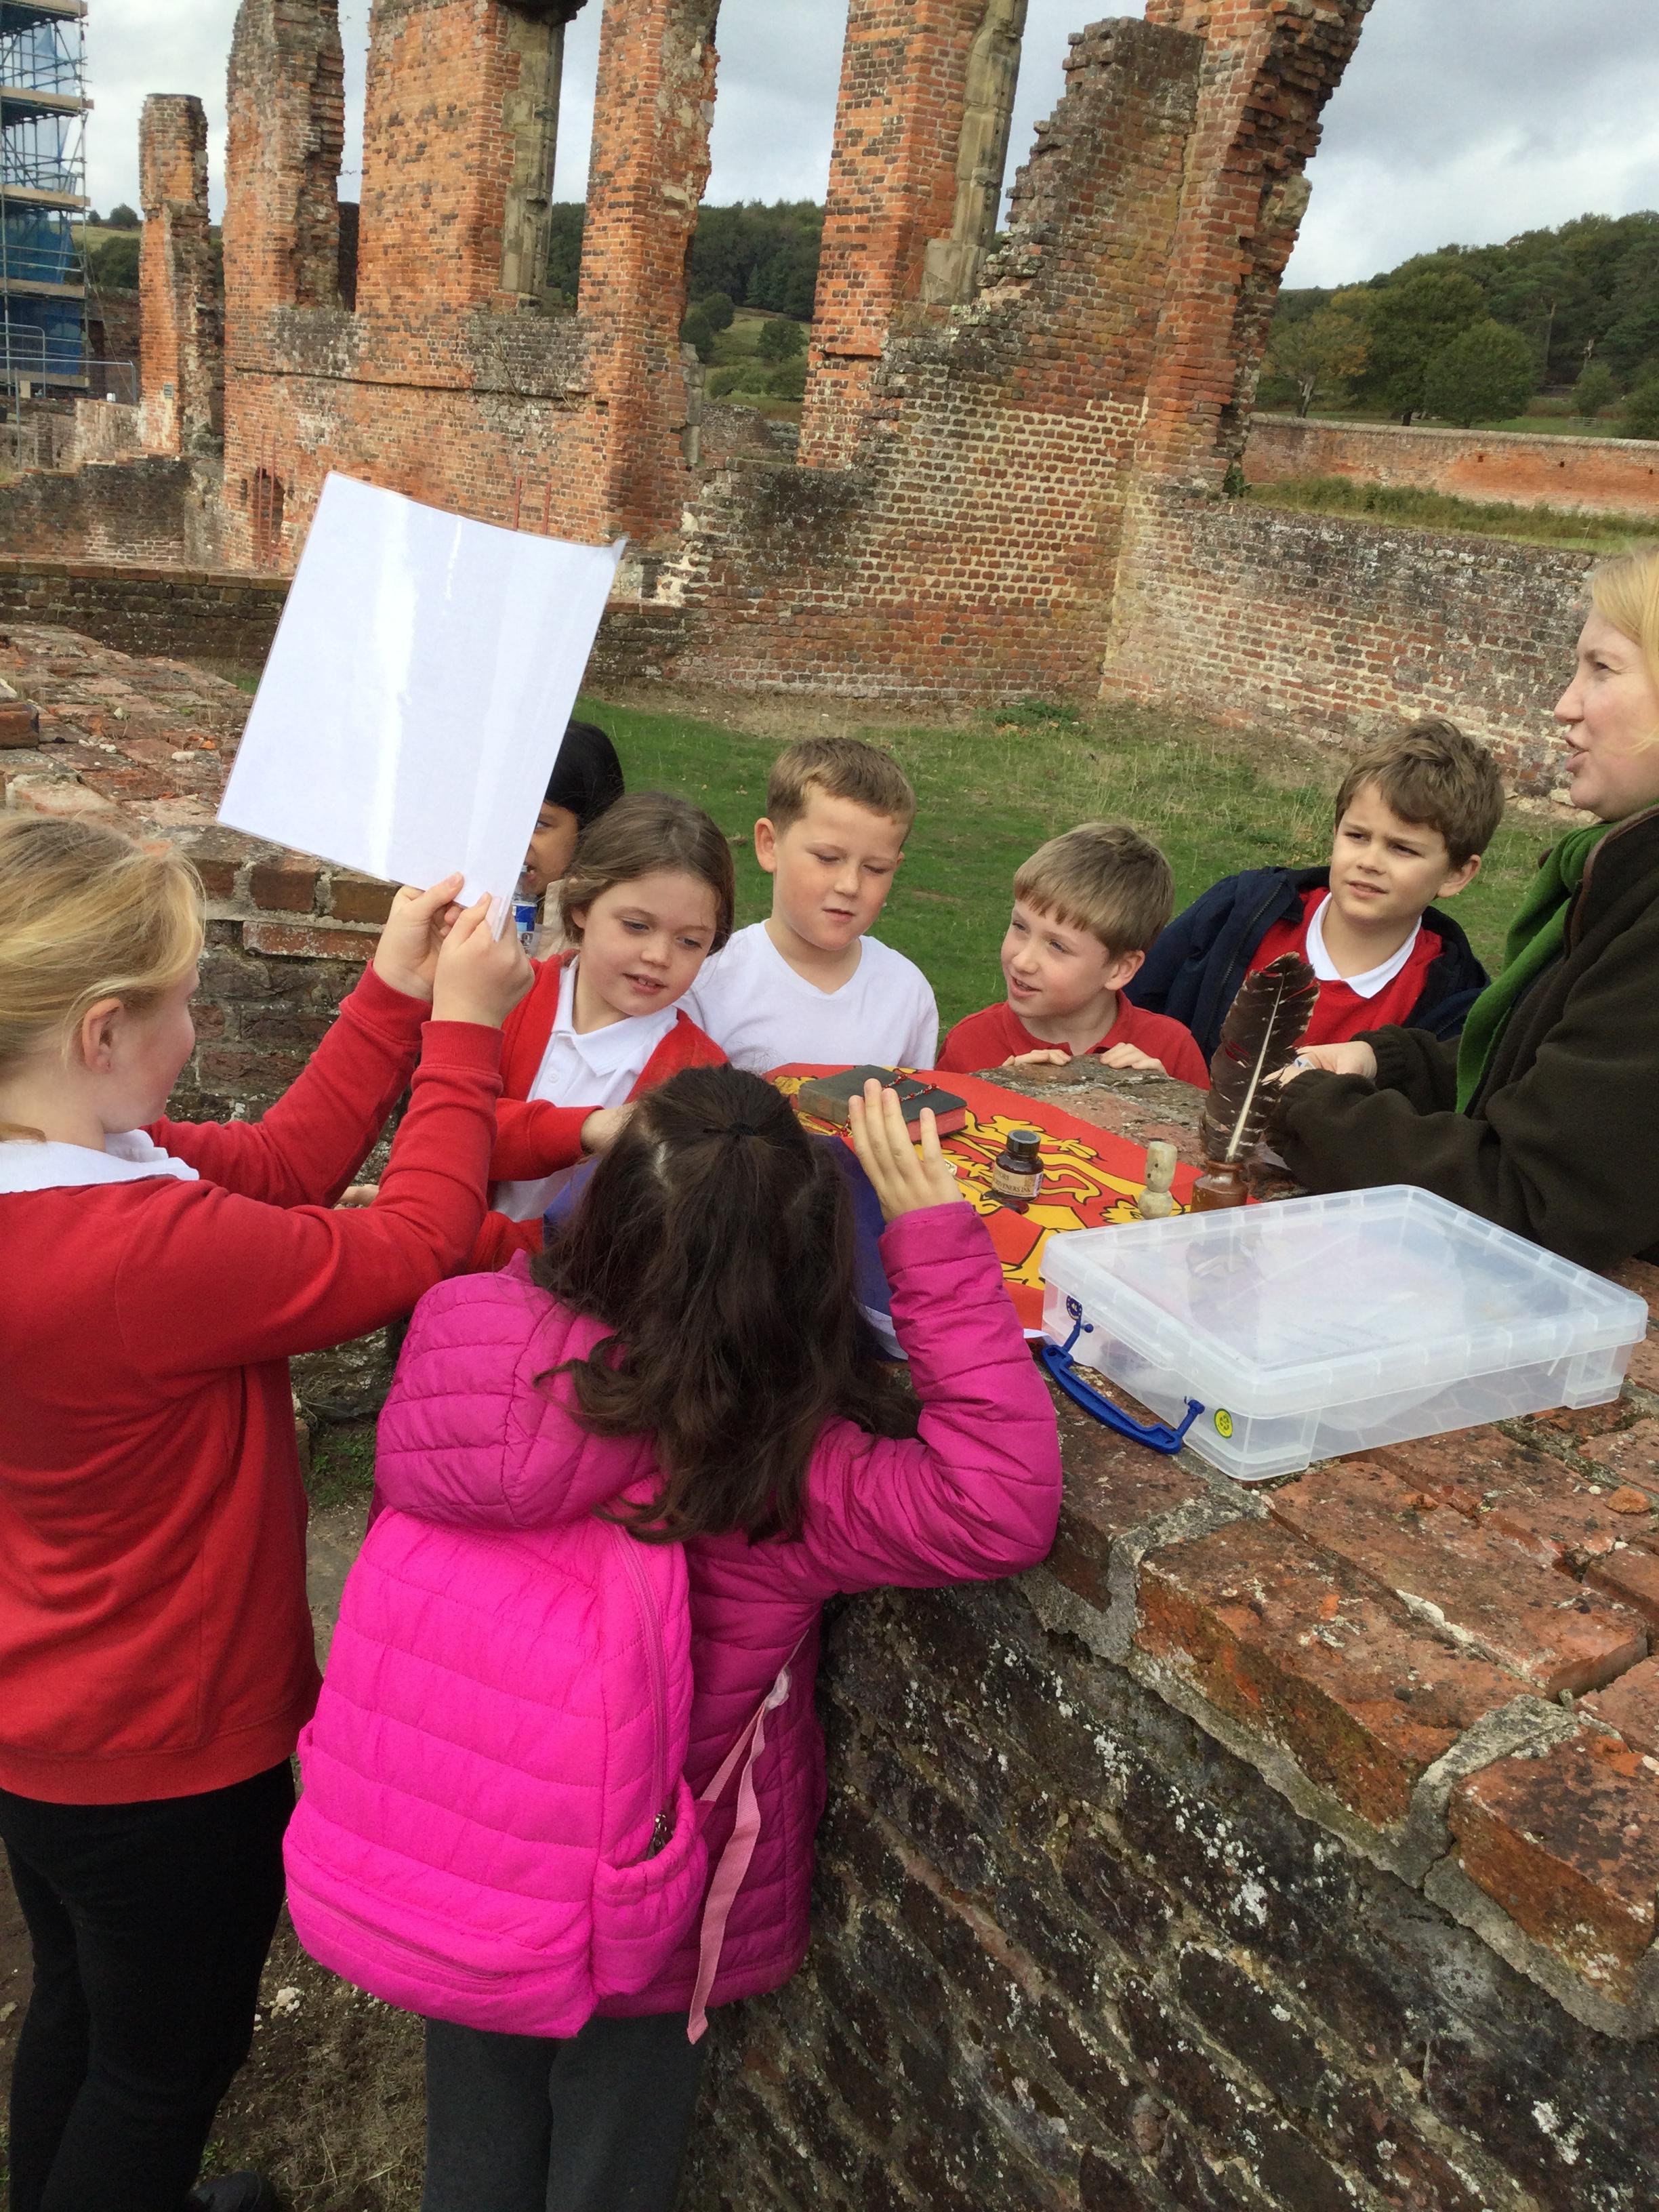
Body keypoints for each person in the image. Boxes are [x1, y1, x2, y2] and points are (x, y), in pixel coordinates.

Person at [300, 1070, 1061, 2212]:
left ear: (605, 1216)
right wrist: (934, 1239)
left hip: (467, 1848)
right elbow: (999, 1501)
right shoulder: (779, 1468)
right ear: (808, 1272)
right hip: (638, 1891)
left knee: (477, 2114)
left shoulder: (473, 1355)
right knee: (613, 2151)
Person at [0, 811, 531, 2212]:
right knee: (164, 2068)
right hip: (164, 1745)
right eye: (186, 1002)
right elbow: (409, 1243)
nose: (197, 1024)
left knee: (83, 2006)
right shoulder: (131, 1249)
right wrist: (466, 1033)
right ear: (102, 1030)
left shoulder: (74, 1165)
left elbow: (285, 1162)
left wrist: (395, 985)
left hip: (47, 1717)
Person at [1273, 544, 1659, 1272]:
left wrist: (1313, 1108)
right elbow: (1560, 1080)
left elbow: (1537, 1201)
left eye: (1602, 669)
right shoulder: (1623, 877)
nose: (1566, 705)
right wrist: (1384, 1063)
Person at [468, 792, 733, 1270]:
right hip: (442, 1260)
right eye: (636, 926)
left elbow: (635, 1230)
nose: (659, 955)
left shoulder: (700, 1073)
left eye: (690, 941)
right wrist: (587, 1130)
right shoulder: (502, 995)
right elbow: (456, 1131)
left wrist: (477, 1243)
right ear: (582, 905)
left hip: (569, 1293)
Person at [1130, 719, 1500, 1058]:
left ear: (1457, 874)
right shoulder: (1237, 911)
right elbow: (1126, 1005)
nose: (1370, 861)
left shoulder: (1456, 1009)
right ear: (1336, 832)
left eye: (1402, 848)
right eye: (1357, 836)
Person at [682, 735, 938, 1072]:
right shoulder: (707, 982)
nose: (850, 886)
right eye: (827, 858)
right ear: (769, 844)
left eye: (876, 869)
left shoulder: (907, 992)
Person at [936, 822, 1208, 1084]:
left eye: (1057, 946)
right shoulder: (970, 1045)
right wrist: (995, 1094)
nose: (1023, 961)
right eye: (1020, 926)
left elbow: (1202, 1118)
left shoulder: (1173, 1050)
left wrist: (1162, 1097)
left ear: (1120, 969)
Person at [518, 718, 626, 954]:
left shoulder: (605, 944)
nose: (515, 841)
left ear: (592, 827)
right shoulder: (457, 911)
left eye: (538, 824)